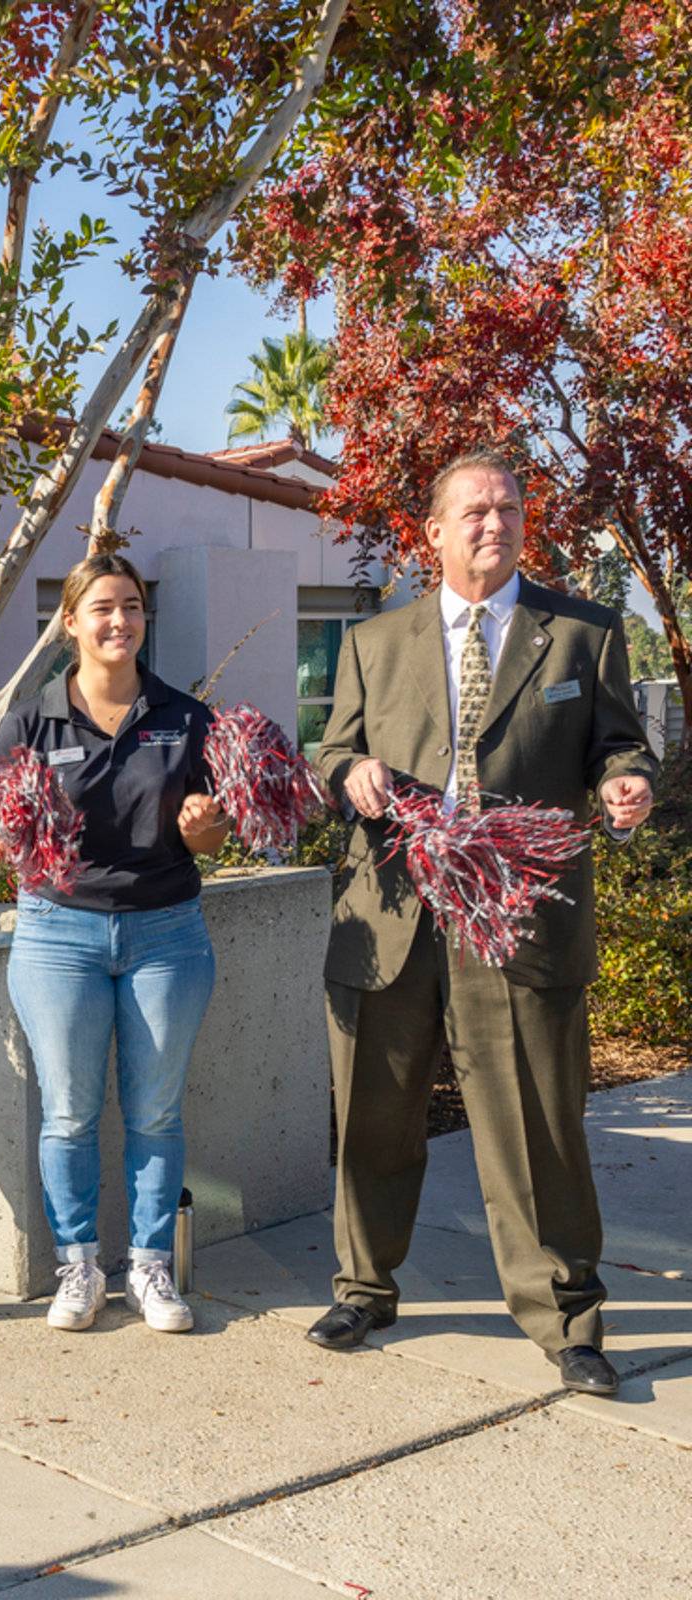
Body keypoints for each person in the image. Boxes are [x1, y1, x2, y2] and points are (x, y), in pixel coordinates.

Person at [308, 449, 657, 1396]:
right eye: (473, 510)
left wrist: (627, 778)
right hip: (392, 917)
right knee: (376, 1119)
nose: (492, 523)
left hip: (517, 922)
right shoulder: (374, 642)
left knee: (536, 1127)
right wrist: (349, 775)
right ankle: (364, 1287)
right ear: (433, 531)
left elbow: (619, 740)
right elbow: (333, 748)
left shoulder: (582, 635)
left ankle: (568, 1318)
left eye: (507, 507)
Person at [0, 553, 229, 1335]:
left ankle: (149, 1269)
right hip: (59, 933)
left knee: (156, 1112)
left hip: (166, 931)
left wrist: (206, 828)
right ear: (71, 623)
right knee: (68, 1113)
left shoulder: (186, 718)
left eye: (130, 605)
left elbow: (217, 831)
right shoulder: (30, 721)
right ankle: (79, 1267)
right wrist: (11, 838)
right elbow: (2, 829)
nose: (118, 620)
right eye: (101, 607)